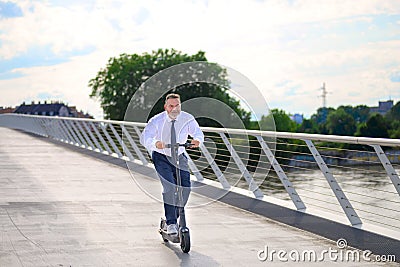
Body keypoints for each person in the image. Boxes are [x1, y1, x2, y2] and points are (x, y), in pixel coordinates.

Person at [140, 93, 204, 235]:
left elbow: (198, 133)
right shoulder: (157, 120)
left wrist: (198, 140)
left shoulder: (187, 119)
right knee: (169, 188)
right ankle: (171, 224)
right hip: (162, 156)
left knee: (186, 188)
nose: (175, 109)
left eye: (177, 105)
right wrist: (155, 143)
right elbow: (145, 138)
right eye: (171, 106)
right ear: (165, 107)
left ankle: (172, 218)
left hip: (180, 155)